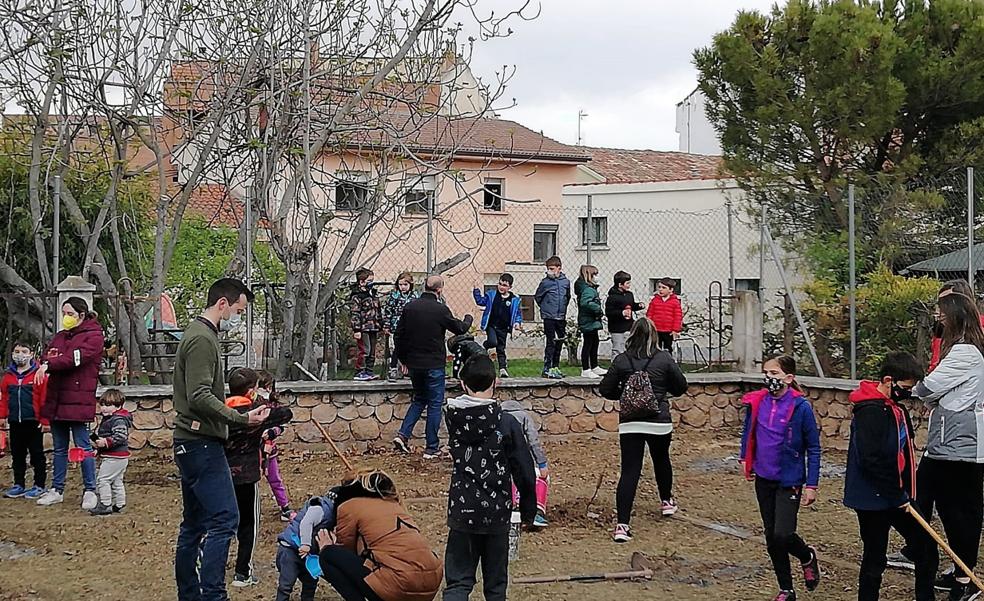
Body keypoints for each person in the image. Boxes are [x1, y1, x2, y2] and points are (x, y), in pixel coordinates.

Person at [172, 278, 271, 601]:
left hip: (191, 441)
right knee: (225, 518)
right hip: (201, 443)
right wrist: (241, 418)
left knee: (194, 524)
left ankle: (189, 594)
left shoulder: (201, 334)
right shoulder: (202, 339)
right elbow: (199, 395)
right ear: (223, 304)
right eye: (238, 310)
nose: (237, 317)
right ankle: (213, 594)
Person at [844, 352, 937, 601]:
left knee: (926, 548)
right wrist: (896, 495)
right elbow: (870, 459)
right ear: (888, 380)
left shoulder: (895, 410)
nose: (908, 393)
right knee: (875, 557)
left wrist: (905, 492)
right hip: (874, 498)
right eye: (905, 387)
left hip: (898, 495)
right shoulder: (870, 412)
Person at [443, 355, 537, 601]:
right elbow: (524, 469)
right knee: (496, 585)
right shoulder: (507, 423)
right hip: (497, 511)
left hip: (462, 509)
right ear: (496, 382)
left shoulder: (453, 419)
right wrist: (529, 509)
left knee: (458, 582)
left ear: (463, 384)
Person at [911, 289, 984, 601]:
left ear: (955, 315)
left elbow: (928, 387)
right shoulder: (959, 349)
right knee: (925, 496)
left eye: (942, 312)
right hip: (947, 440)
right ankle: (935, 560)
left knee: (960, 513)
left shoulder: (965, 352)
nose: (938, 317)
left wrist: (920, 391)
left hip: (960, 444)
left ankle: (963, 577)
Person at [740, 355, 822, 601]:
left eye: (774, 373)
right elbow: (749, 431)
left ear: (788, 378)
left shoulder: (801, 408)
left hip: (790, 479)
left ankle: (806, 555)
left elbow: (814, 447)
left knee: (783, 534)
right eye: (766, 373)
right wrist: (747, 458)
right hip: (764, 478)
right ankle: (786, 588)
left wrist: (812, 484)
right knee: (771, 536)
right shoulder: (758, 402)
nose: (769, 378)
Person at [599, 317, 688, 542]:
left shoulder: (621, 360)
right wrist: (661, 391)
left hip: (631, 422)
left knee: (629, 471)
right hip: (659, 420)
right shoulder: (664, 358)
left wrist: (626, 395)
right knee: (661, 459)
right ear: (654, 336)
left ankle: (622, 525)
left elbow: (605, 389)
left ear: (631, 335)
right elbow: (681, 387)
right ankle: (666, 501)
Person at [317, 470, 443, 601]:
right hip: (431, 583)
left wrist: (326, 545)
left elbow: (346, 551)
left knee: (328, 554)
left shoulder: (349, 506)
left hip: (398, 584)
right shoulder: (395, 504)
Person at [224, 367, 293, 587]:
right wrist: (261, 401)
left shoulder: (221, 409)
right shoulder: (257, 409)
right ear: (252, 390)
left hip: (222, 474)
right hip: (246, 475)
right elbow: (286, 413)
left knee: (221, 522)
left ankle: (210, 564)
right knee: (248, 524)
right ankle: (242, 572)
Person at [35, 297, 105, 510]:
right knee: (59, 448)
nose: (66, 318)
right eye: (64, 313)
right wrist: (50, 362)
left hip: (78, 401)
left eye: (70, 314)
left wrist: (51, 364)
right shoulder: (60, 336)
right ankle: (57, 489)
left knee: (83, 447)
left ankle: (90, 490)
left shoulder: (94, 336)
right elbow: (48, 355)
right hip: (57, 400)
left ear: (81, 315)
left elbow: (74, 359)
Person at [392, 275, 473, 459]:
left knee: (419, 399)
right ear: (439, 290)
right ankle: (431, 447)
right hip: (434, 364)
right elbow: (460, 328)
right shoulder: (440, 309)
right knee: (435, 404)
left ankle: (403, 435)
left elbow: (399, 335)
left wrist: (403, 359)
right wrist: (468, 318)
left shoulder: (410, 307)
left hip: (414, 364)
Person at [0, 341, 48, 499]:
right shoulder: (8, 377)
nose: (20, 354)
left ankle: (39, 485)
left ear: (31, 354)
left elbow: (44, 399)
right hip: (15, 422)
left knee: (37, 454)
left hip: (33, 421)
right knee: (17, 454)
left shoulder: (38, 375)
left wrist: (45, 419)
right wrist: (2, 416)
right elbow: (5, 399)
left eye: (24, 351)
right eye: (17, 351)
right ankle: (18, 484)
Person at [501, 398, 550, 528]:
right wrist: (542, 463)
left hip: (502, 460)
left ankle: (512, 508)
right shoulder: (524, 417)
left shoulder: (498, 417)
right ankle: (535, 512)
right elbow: (534, 441)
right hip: (522, 457)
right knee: (532, 479)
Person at [88, 388, 132, 516]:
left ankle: (105, 504)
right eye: (102, 405)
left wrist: (105, 442)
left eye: (108, 405)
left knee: (103, 480)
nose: (104, 408)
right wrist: (98, 449)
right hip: (117, 456)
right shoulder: (110, 418)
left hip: (115, 457)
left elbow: (120, 436)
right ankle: (120, 503)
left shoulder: (118, 420)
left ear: (118, 406)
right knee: (117, 480)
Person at [258, 370, 293, 522]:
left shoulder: (273, 405)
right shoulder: (250, 404)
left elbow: (281, 425)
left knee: (275, 478)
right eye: (263, 387)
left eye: (268, 387)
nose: (266, 390)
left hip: (269, 449)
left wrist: (273, 432)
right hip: (252, 451)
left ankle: (285, 508)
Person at [473, 273, 523, 378]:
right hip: (491, 325)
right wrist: (476, 291)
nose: (501, 287)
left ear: (510, 287)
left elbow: (517, 313)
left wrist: (517, 323)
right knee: (493, 342)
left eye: (504, 285)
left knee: (501, 348)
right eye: (500, 284)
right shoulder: (491, 295)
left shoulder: (514, 300)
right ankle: (486, 345)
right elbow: (481, 302)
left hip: (503, 328)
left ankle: (502, 368)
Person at [534, 256, 571, 379]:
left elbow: (567, 297)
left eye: (552, 268)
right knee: (551, 342)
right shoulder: (545, 283)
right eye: (548, 268)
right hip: (549, 317)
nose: (549, 271)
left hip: (561, 316)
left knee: (559, 342)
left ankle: (556, 367)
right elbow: (538, 297)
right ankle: (547, 368)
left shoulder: (565, 282)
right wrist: (546, 308)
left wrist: (563, 308)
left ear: (559, 268)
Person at [382, 272, 419, 380]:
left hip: (410, 327)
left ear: (410, 285)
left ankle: (409, 370)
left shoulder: (415, 296)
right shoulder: (394, 296)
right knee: (396, 349)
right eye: (400, 284)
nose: (403, 287)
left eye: (405, 285)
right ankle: (393, 369)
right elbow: (388, 311)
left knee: (410, 349)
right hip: (396, 326)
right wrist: (387, 325)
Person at [350, 268, 383, 381]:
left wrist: (381, 324)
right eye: (369, 281)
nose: (371, 283)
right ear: (361, 282)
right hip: (363, 328)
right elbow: (355, 313)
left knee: (372, 351)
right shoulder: (357, 296)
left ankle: (369, 371)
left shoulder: (373, 294)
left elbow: (378, 310)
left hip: (374, 327)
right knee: (365, 350)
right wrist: (356, 329)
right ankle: (360, 371)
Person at [604, 271, 645, 359]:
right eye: (627, 283)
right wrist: (621, 313)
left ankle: (628, 366)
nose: (629, 285)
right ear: (620, 285)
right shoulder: (612, 297)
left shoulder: (629, 294)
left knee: (629, 347)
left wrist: (638, 306)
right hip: (617, 328)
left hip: (629, 326)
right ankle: (616, 367)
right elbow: (609, 312)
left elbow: (631, 306)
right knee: (618, 348)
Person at [574, 264, 605, 379]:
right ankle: (586, 369)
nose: (597, 277)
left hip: (591, 320)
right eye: (595, 274)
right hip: (588, 320)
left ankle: (594, 366)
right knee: (588, 344)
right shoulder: (588, 290)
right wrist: (598, 309)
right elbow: (586, 303)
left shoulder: (588, 288)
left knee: (594, 342)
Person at [646, 278, 683, 354]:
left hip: (668, 331)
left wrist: (675, 330)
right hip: (656, 330)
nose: (660, 290)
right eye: (659, 287)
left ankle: (667, 363)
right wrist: (649, 326)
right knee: (655, 348)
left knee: (668, 349)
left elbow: (678, 317)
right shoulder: (654, 300)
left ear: (671, 290)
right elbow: (649, 314)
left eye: (663, 288)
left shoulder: (675, 302)